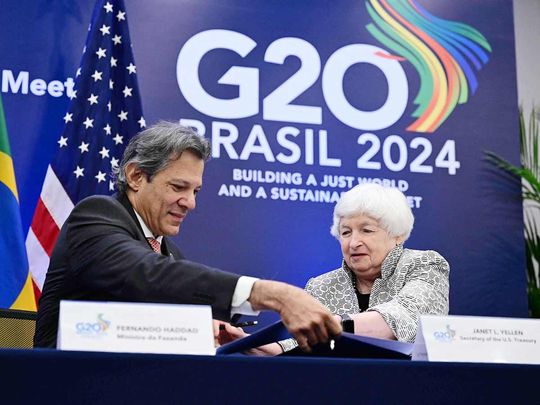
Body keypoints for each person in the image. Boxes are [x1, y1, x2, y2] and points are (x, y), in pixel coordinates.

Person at [33, 121, 341, 350]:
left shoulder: (170, 252)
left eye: (195, 191)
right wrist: (274, 294)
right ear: (136, 176)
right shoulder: (96, 216)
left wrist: (212, 329)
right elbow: (147, 276)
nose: (190, 203)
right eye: (178, 187)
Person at [277, 183, 449, 352]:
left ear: (397, 235)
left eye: (366, 230)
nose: (353, 243)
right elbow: (300, 344)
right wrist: (267, 348)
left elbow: (408, 316)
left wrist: (330, 327)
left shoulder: (425, 265)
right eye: (346, 232)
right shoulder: (320, 286)